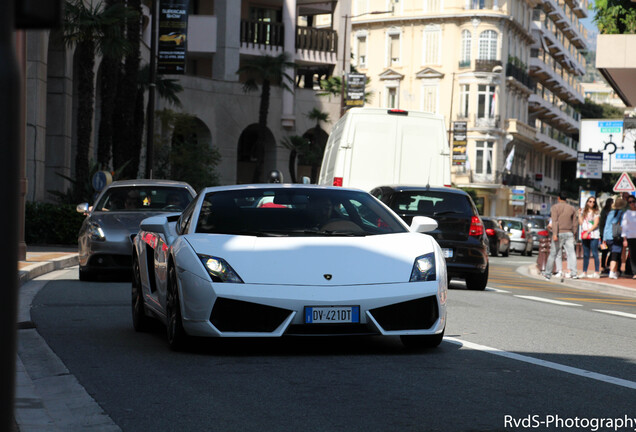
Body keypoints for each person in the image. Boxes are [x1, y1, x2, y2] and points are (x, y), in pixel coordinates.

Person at [543, 191, 579, 280]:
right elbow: (575, 223)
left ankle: (548, 273)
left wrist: (554, 234)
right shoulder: (572, 208)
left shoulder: (555, 207)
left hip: (559, 233)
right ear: (566, 199)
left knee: (553, 254)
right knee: (571, 253)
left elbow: (554, 221)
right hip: (569, 233)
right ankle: (574, 273)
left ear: (559, 198)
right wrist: (574, 233)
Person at [602, 196, 626, 279]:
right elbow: (623, 225)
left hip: (608, 237)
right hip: (617, 236)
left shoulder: (610, 213)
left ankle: (615, 272)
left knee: (614, 253)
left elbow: (606, 226)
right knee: (615, 255)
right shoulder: (622, 213)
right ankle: (612, 272)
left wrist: (604, 239)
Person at [578, 196, 600, 278]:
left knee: (595, 253)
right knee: (586, 254)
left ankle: (597, 272)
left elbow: (595, 224)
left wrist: (588, 232)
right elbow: (580, 223)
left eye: (593, 202)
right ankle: (584, 271)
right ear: (587, 202)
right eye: (590, 201)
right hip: (585, 235)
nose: (592, 203)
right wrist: (579, 214)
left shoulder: (596, 212)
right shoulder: (584, 211)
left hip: (593, 235)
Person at [621, 196, 636, 279]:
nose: (632, 203)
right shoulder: (627, 213)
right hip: (631, 236)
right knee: (633, 255)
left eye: (633, 201)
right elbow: (624, 226)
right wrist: (624, 239)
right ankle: (635, 272)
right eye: (630, 202)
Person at [598, 197, 613, 274]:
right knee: (604, 251)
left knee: (612, 250)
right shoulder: (604, 212)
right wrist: (602, 234)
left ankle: (607, 264)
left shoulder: (613, 212)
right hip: (603, 235)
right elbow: (601, 224)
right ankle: (603, 266)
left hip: (610, 235)